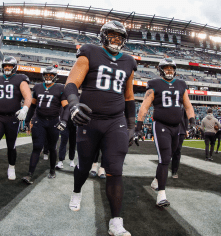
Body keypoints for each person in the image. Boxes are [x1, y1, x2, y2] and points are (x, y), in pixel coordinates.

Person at [64, 21, 137, 236]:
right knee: (84, 166)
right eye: (111, 35)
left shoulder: (129, 61)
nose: (115, 40)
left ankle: (116, 221)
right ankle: (77, 191)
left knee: (115, 169)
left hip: (115, 121)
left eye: (119, 37)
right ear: (103, 36)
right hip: (89, 119)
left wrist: (132, 126)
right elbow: (71, 84)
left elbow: (129, 97)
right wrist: (74, 104)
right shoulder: (90, 52)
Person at [134, 58, 195, 208]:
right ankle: (161, 194)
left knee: (170, 155)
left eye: (171, 68)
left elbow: (188, 106)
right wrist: (139, 127)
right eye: (166, 68)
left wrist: (193, 123)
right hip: (161, 125)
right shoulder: (154, 84)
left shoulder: (181, 84)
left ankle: (156, 180)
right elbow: (144, 106)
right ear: (161, 70)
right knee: (164, 158)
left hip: (177, 127)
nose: (169, 70)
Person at [22, 66, 70, 184]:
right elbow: (33, 105)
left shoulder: (60, 87)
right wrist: (27, 120)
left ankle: (52, 170)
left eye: (51, 75)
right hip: (40, 120)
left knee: (52, 147)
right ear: (43, 76)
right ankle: (29, 174)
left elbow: (66, 107)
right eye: (46, 75)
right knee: (37, 147)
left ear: (55, 77)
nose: (48, 77)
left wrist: (64, 120)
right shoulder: (38, 87)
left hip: (53, 121)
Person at [55, 105, 77, 169]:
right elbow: (60, 110)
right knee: (63, 142)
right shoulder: (65, 99)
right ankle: (60, 161)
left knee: (72, 143)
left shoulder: (77, 98)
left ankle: (71, 160)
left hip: (74, 125)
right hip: (65, 124)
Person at [171, 107, 188, 178]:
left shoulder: (182, 104)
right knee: (167, 150)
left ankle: (174, 171)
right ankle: (163, 168)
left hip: (180, 130)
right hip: (169, 130)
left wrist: (186, 129)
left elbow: (186, 118)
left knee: (177, 151)